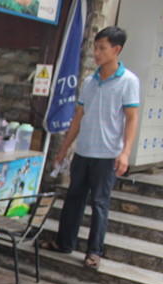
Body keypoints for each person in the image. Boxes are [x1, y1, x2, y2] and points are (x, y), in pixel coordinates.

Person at [43, 26, 139, 270]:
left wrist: (125, 152)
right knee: (73, 198)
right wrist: (65, 148)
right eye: (95, 48)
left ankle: (94, 252)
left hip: (107, 155)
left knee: (99, 203)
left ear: (116, 50)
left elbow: (131, 118)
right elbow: (78, 117)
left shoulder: (128, 81)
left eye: (101, 48)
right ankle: (65, 242)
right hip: (83, 151)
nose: (96, 53)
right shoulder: (89, 81)